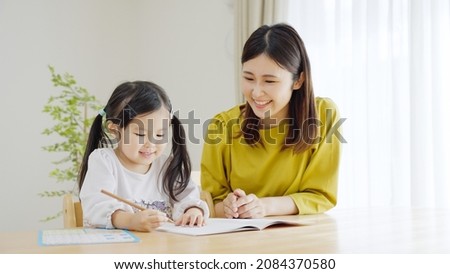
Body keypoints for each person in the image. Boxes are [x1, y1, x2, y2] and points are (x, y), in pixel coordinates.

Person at [201, 23, 342, 219]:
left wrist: (265, 206)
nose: (257, 92)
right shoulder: (221, 126)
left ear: (298, 80)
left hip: (300, 239)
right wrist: (227, 206)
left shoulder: (323, 115)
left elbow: (320, 195)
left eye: (269, 81)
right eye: (249, 78)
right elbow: (211, 202)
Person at [79, 81, 209, 232]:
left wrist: (193, 211)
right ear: (114, 129)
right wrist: (130, 220)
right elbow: (96, 206)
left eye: (160, 134)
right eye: (140, 134)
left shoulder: (166, 165)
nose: (151, 143)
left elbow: (188, 198)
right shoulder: (104, 161)